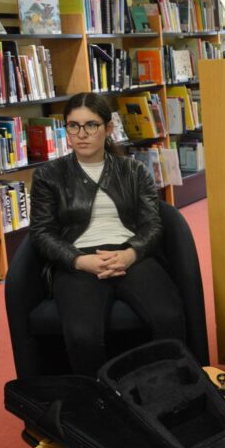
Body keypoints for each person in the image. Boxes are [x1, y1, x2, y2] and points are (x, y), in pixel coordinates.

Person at [29, 92, 185, 375]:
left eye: (91, 125)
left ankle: (167, 389)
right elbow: (42, 232)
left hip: (129, 253)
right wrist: (79, 260)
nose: (81, 134)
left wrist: (130, 254)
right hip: (78, 260)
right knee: (82, 335)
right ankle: (100, 397)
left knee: (168, 317)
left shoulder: (134, 170)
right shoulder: (48, 175)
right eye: (73, 126)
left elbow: (152, 224)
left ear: (108, 128)